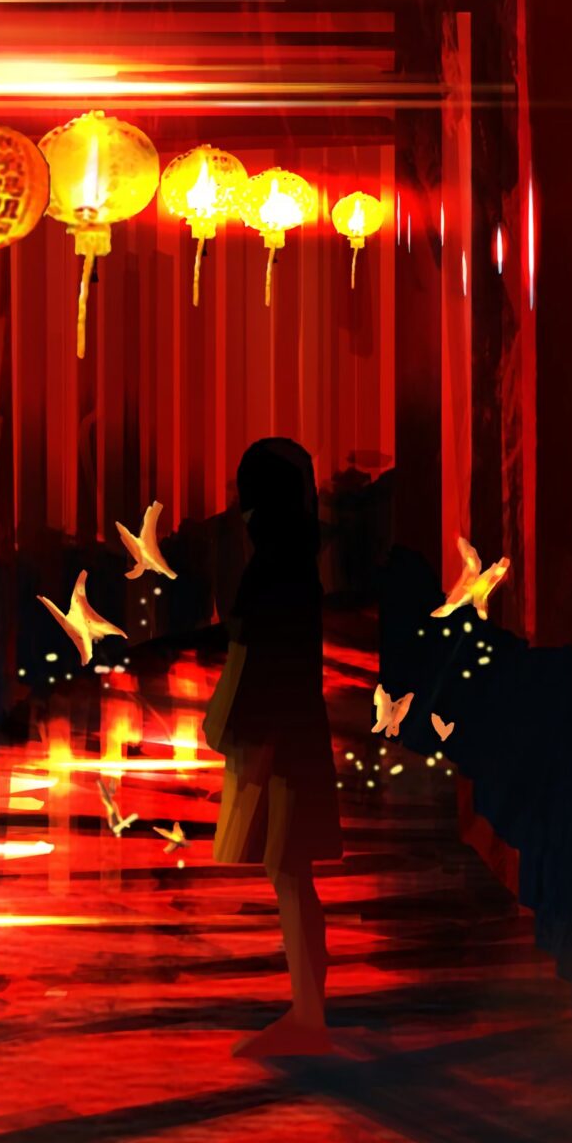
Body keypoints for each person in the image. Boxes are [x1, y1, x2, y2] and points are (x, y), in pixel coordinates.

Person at [203, 437, 340, 1058]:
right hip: (298, 732)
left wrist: (223, 726)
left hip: (275, 738)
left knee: (287, 872)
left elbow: (249, 660)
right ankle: (308, 1006)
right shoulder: (301, 565)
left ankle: (308, 1015)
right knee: (292, 872)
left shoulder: (267, 572)